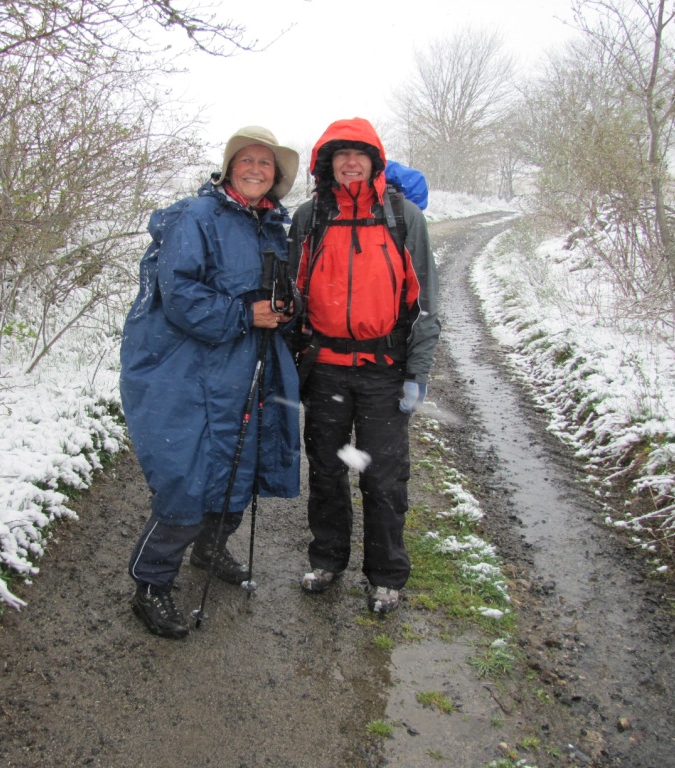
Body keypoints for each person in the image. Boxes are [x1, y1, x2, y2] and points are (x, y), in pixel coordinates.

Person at [120, 126, 302, 639]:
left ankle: (209, 548)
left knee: (241, 466)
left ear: (276, 177)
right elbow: (178, 294)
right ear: (228, 168)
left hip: (248, 367)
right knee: (188, 479)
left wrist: (285, 307)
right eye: (246, 160)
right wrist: (247, 314)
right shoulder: (197, 216)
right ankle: (151, 584)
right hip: (188, 369)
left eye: (265, 163)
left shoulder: (271, 225)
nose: (255, 169)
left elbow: (272, 294)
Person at [288, 117, 439, 614]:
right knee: (326, 471)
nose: (350, 162)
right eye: (340, 154)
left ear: (376, 163)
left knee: (384, 478)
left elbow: (425, 306)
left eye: (360, 154)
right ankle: (327, 560)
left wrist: (417, 372)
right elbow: (293, 296)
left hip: (383, 371)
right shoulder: (311, 217)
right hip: (325, 369)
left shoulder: (402, 217)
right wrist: (289, 360)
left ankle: (386, 576)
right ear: (327, 164)